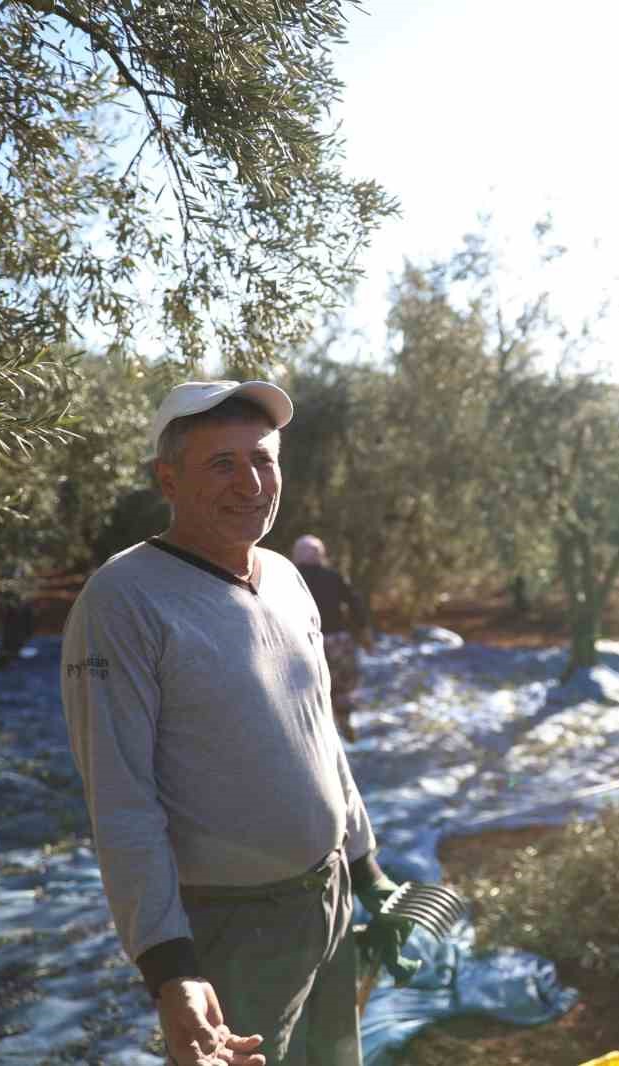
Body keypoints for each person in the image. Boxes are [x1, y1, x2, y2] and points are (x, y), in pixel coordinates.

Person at [61, 380, 416, 1066]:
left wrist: (366, 866)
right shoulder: (124, 601)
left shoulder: (286, 577)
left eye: (263, 459)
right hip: (232, 928)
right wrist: (172, 969)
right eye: (222, 463)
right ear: (168, 478)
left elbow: (318, 733)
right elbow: (120, 801)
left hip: (329, 898)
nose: (251, 483)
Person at [291, 534, 371, 742]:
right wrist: (363, 632)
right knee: (342, 685)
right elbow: (355, 603)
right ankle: (345, 722)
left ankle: (319, 731)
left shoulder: (289, 579)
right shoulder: (333, 576)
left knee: (309, 687)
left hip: (303, 641)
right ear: (321, 555)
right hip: (337, 640)